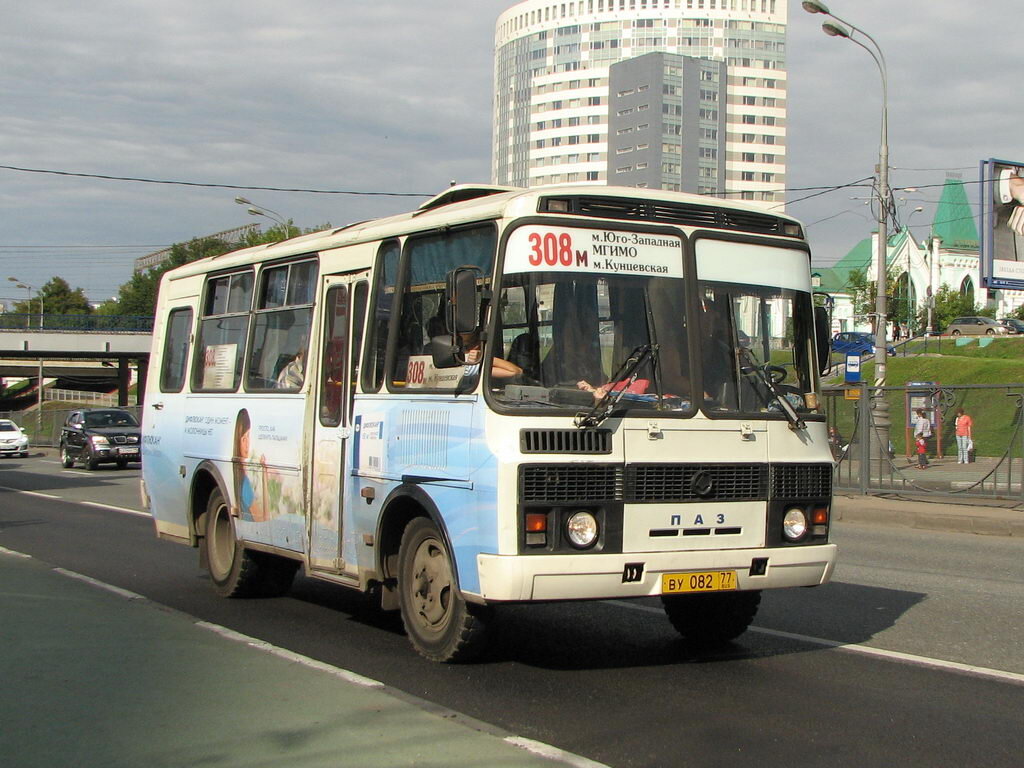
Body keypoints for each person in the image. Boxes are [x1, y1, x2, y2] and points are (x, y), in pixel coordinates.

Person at [232, 409, 267, 521]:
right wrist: (265, 473)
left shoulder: (239, 478)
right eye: (243, 439)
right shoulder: (244, 483)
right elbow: (263, 518)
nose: (247, 444)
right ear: (237, 441)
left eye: (248, 436)